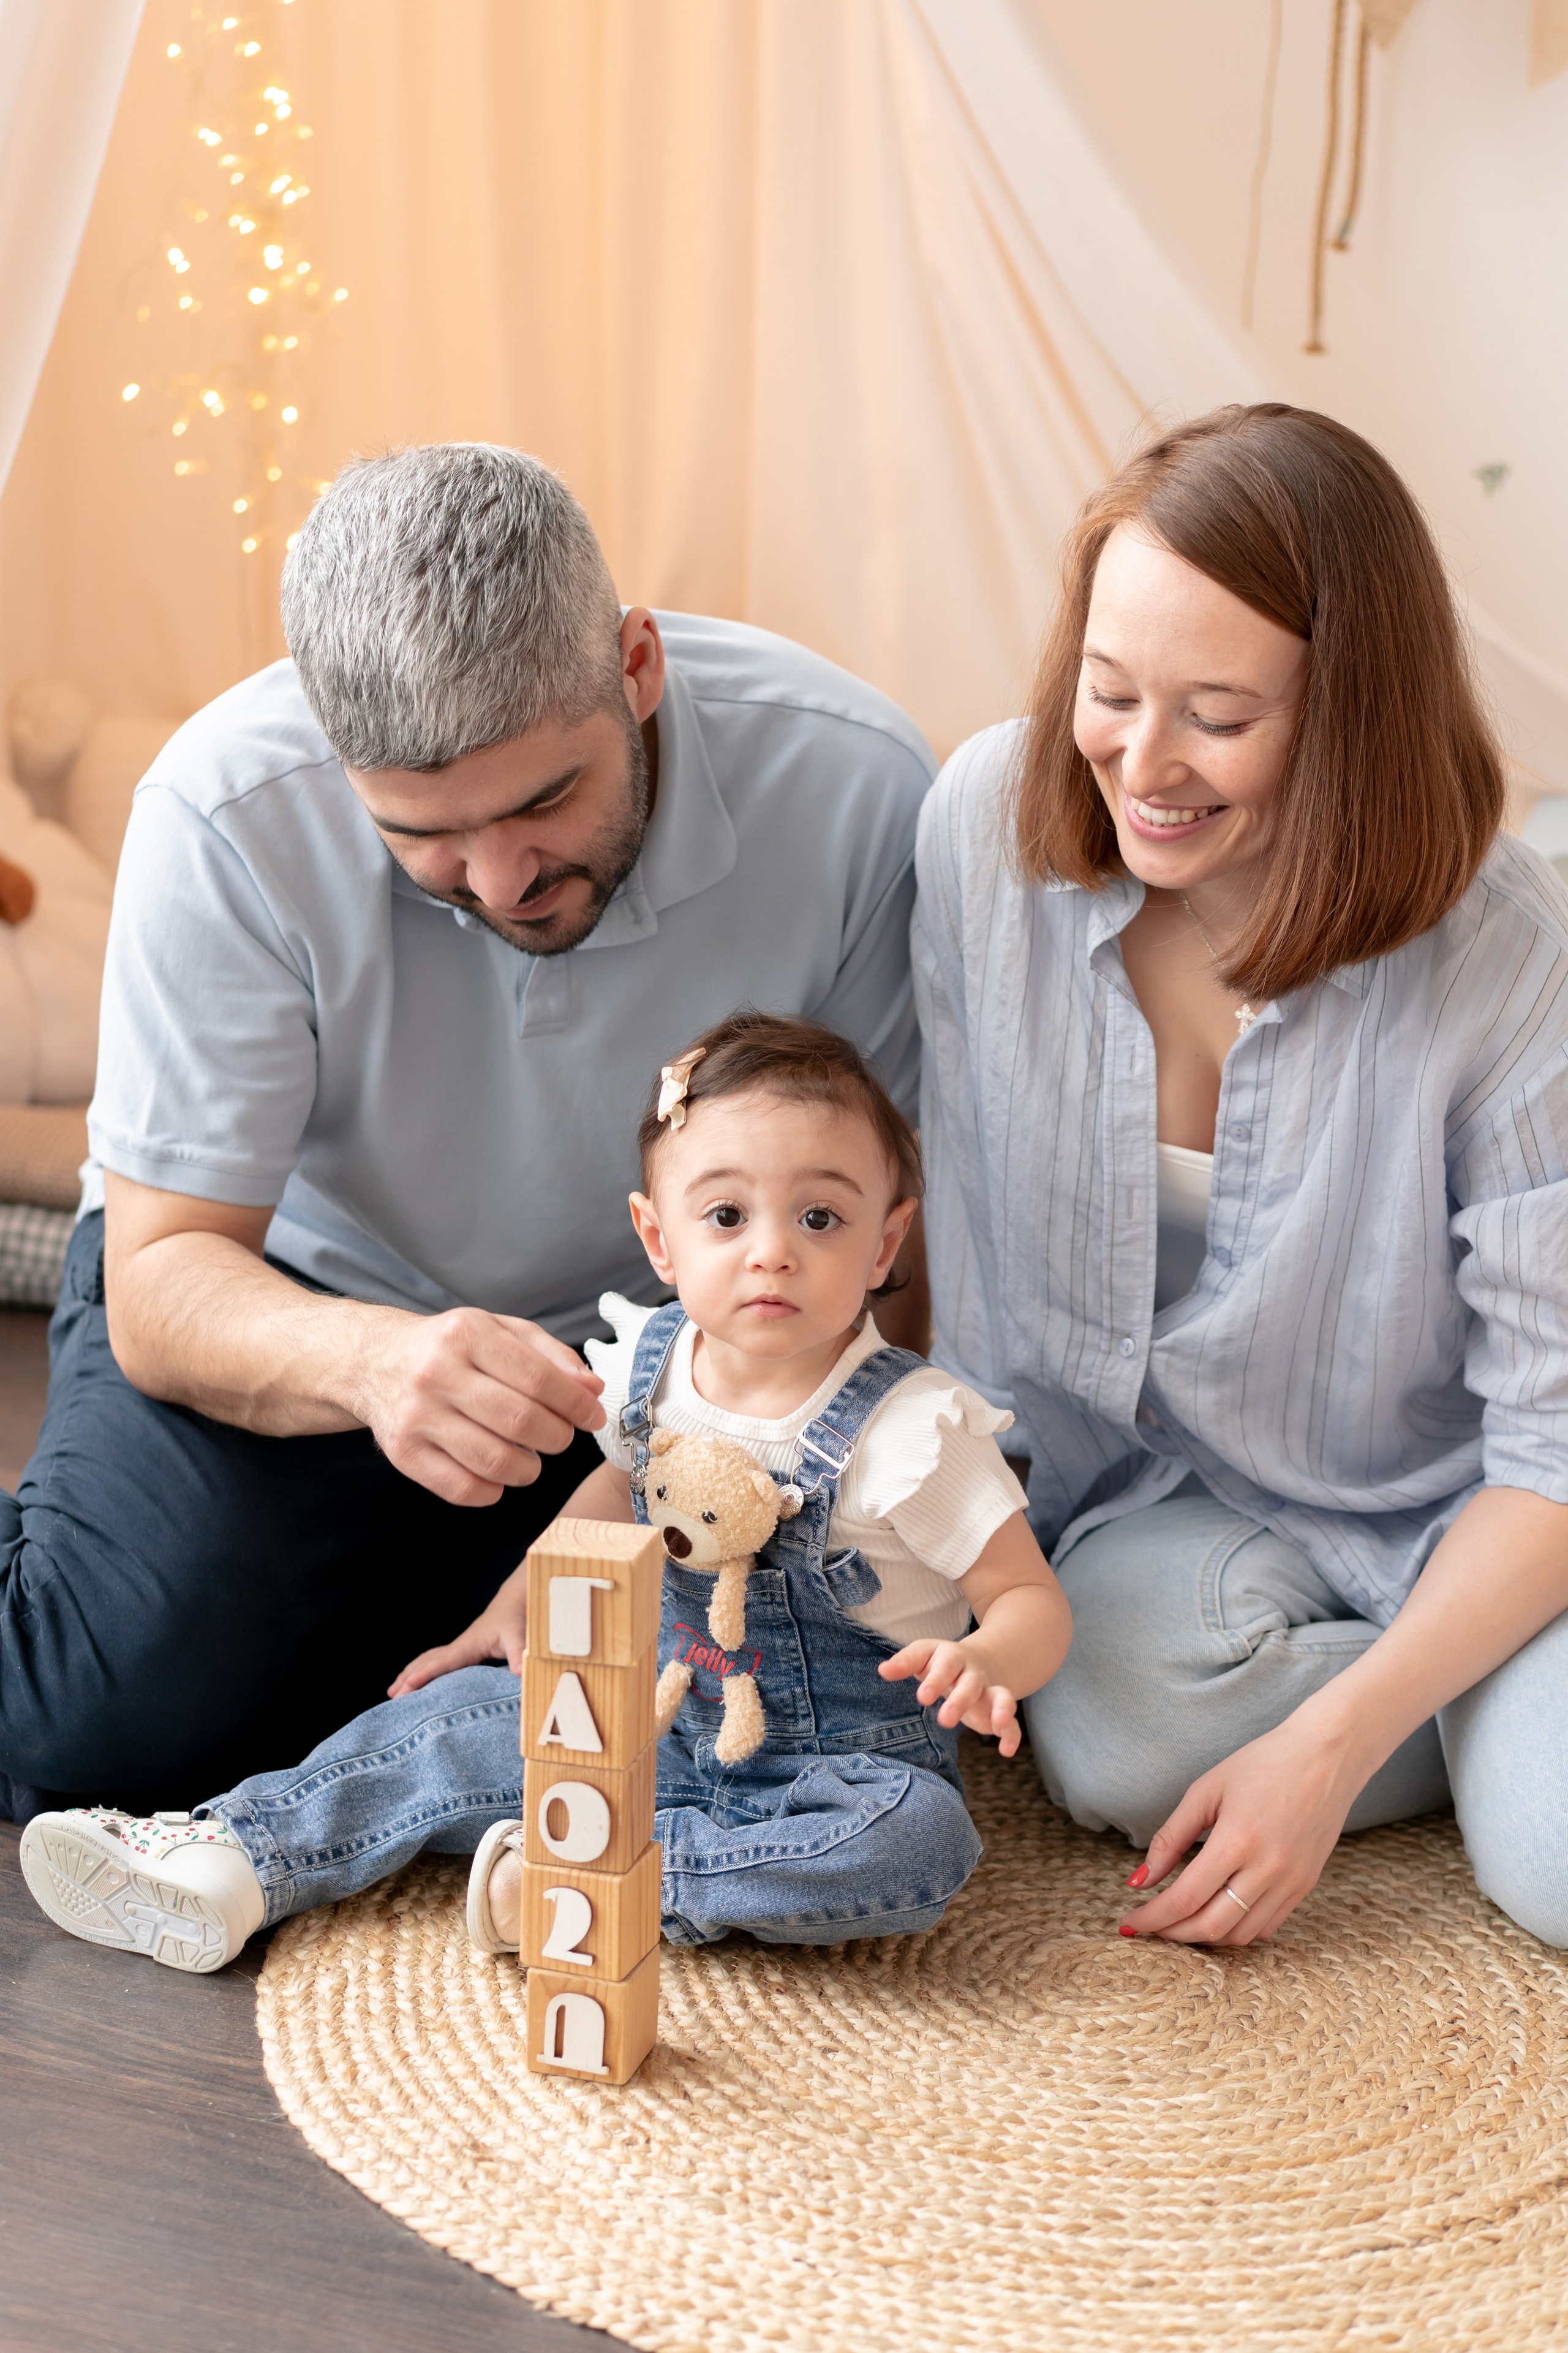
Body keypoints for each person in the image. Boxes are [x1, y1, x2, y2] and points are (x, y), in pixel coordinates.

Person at [0, 445, 937, 1819]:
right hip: (297, 1311)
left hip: (672, 1361)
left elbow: (885, 1245)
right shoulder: (222, 809)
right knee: (90, 1731)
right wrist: (377, 1362)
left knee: (751, 1716)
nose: (501, 880)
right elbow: (161, 1278)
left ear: (636, 665)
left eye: (544, 800)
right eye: (423, 833)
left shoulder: (856, 785)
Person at [916, 401, 1568, 1952]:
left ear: (1350, 717)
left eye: (1215, 716)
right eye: (1107, 690)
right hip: (1168, 1508)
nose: (1141, 764)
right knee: (1114, 1734)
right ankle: (1467, 1690)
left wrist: (1322, 1747)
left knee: (1553, 1865)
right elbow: (924, 1225)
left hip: (1464, 1497)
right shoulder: (979, 832)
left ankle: (1469, 1676)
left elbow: (1546, 1440)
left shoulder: (1501, 947)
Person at [17, 1015, 1071, 1968]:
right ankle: (237, 1853)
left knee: (920, 1841)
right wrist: (515, 1603)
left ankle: (595, 1882)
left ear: (886, 1240)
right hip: (650, 1719)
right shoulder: (653, 1366)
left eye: (821, 1218)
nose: (772, 1253)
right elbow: (616, 1485)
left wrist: (987, 1661)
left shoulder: (915, 1430)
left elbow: (1032, 1600)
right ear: (658, 1237)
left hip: (836, 1770)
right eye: (726, 1214)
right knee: (446, 1724)